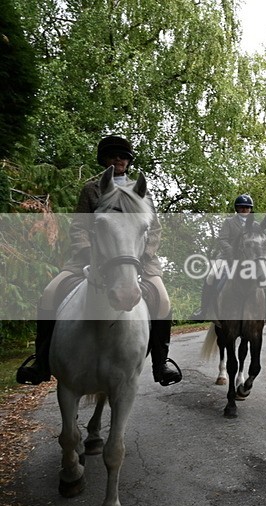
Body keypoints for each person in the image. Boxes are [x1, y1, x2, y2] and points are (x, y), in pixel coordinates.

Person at [17, 135, 181, 386]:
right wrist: (88, 252)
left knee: (163, 300)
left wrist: (143, 255)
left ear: (129, 161)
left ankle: (161, 363)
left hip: (138, 259)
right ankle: (41, 361)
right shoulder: (91, 190)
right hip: (94, 258)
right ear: (103, 159)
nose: (119, 159)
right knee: (50, 293)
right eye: (114, 155)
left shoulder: (142, 194)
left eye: (124, 156)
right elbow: (79, 227)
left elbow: (155, 230)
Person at [192, 194, 266, 323]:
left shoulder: (255, 225)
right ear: (237, 209)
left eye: (247, 208)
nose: (244, 210)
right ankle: (203, 310)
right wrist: (231, 252)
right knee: (211, 275)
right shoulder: (229, 222)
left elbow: (260, 243)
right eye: (241, 207)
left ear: (251, 209)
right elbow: (222, 239)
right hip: (227, 257)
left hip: (250, 259)